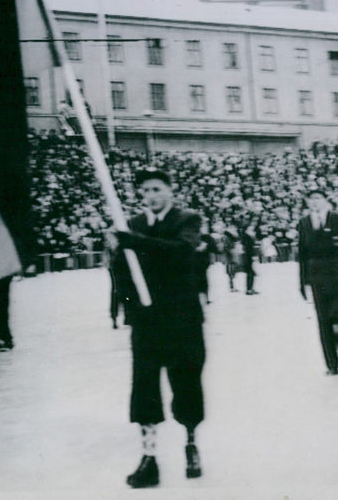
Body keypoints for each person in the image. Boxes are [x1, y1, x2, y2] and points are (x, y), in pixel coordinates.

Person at [109, 167, 206, 488]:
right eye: (145, 191)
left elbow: (181, 254)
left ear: (169, 189)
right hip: (147, 322)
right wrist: (127, 303)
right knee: (144, 387)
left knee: (186, 383)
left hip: (182, 321)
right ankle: (149, 457)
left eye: (156, 189)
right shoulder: (132, 225)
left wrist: (135, 243)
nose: (151, 196)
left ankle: (191, 443)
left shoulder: (187, 220)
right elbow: (121, 275)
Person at [297, 188, 338, 375]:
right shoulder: (304, 223)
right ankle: (332, 364)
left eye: (318, 198)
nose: (314, 202)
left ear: (325, 200)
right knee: (324, 322)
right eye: (311, 199)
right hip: (317, 278)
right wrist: (302, 282)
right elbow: (302, 255)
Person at [241, 223, 259, 295]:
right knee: (250, 273)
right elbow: (248, 248)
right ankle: (249, 289)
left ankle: (250, 288)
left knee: (250, 273)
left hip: (247, 257)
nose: (252, 230)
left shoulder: (247, 236)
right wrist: (253, 255)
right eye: (250, 229)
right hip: (247, 257)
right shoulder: (247, 237)